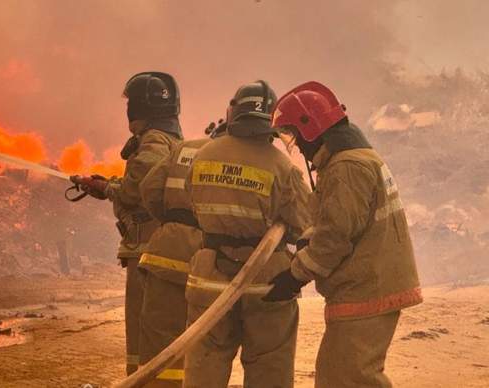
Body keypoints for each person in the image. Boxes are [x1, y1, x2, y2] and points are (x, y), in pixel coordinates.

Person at [267, 81, 422, 388]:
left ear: (310, 128)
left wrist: (295, 276)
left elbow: (335, 236)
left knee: (348, 379)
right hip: (370, 284)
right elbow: (342, 222)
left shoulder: (346, 167)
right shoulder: (355, 160)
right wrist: (307, 239)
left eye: (294, 135)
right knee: (343, 375)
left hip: (366, 288)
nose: (295, 145)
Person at [183, 80, 311, 388]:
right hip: (266, 282)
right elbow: (305, 222)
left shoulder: (203, 155)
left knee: (205, 364)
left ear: (233, 112)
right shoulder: (283, 165)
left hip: (210, 275)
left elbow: (192, 201)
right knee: (270, 367)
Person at [73, 72, 182, 375]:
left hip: (146, 251)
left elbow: (137, 189)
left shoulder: (154, 141)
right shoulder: (168, 139)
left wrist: (107, 188)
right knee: (154, 332)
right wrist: (104, 185)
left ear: (139, 108)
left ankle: (138, 382)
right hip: (153, 248)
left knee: (142, 333)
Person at [136, 119, 227, 386]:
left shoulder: (183, 149)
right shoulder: (241, 159)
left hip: (165, 252)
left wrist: (172, 222)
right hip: (209, 259)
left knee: (159, 339)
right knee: (204, 343)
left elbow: (148, 189)